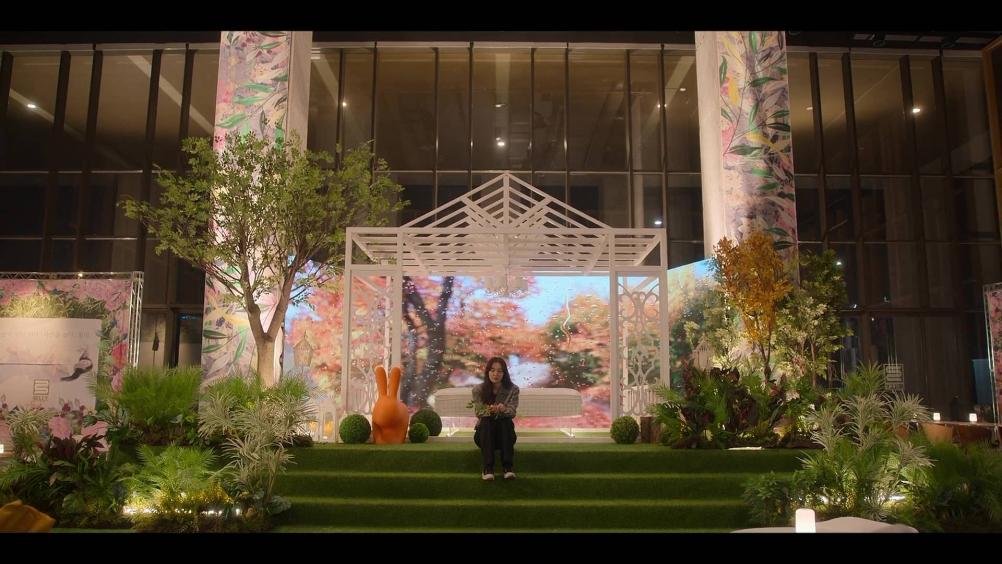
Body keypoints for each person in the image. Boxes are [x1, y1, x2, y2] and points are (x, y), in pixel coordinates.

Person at [471, 356, 520, 481]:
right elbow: (479, 412)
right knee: (486, 421)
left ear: (504, 373)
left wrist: (503, 409)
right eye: (492, 370)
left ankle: (508, 468)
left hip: (505, 436)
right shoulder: (478, 389)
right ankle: (488, 468)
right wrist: (490, 409)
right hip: (484, 436)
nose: (495, 374)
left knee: (505, 421)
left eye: (499, 371)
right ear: (487, 372)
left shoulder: (513, 390)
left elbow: (512, 412)